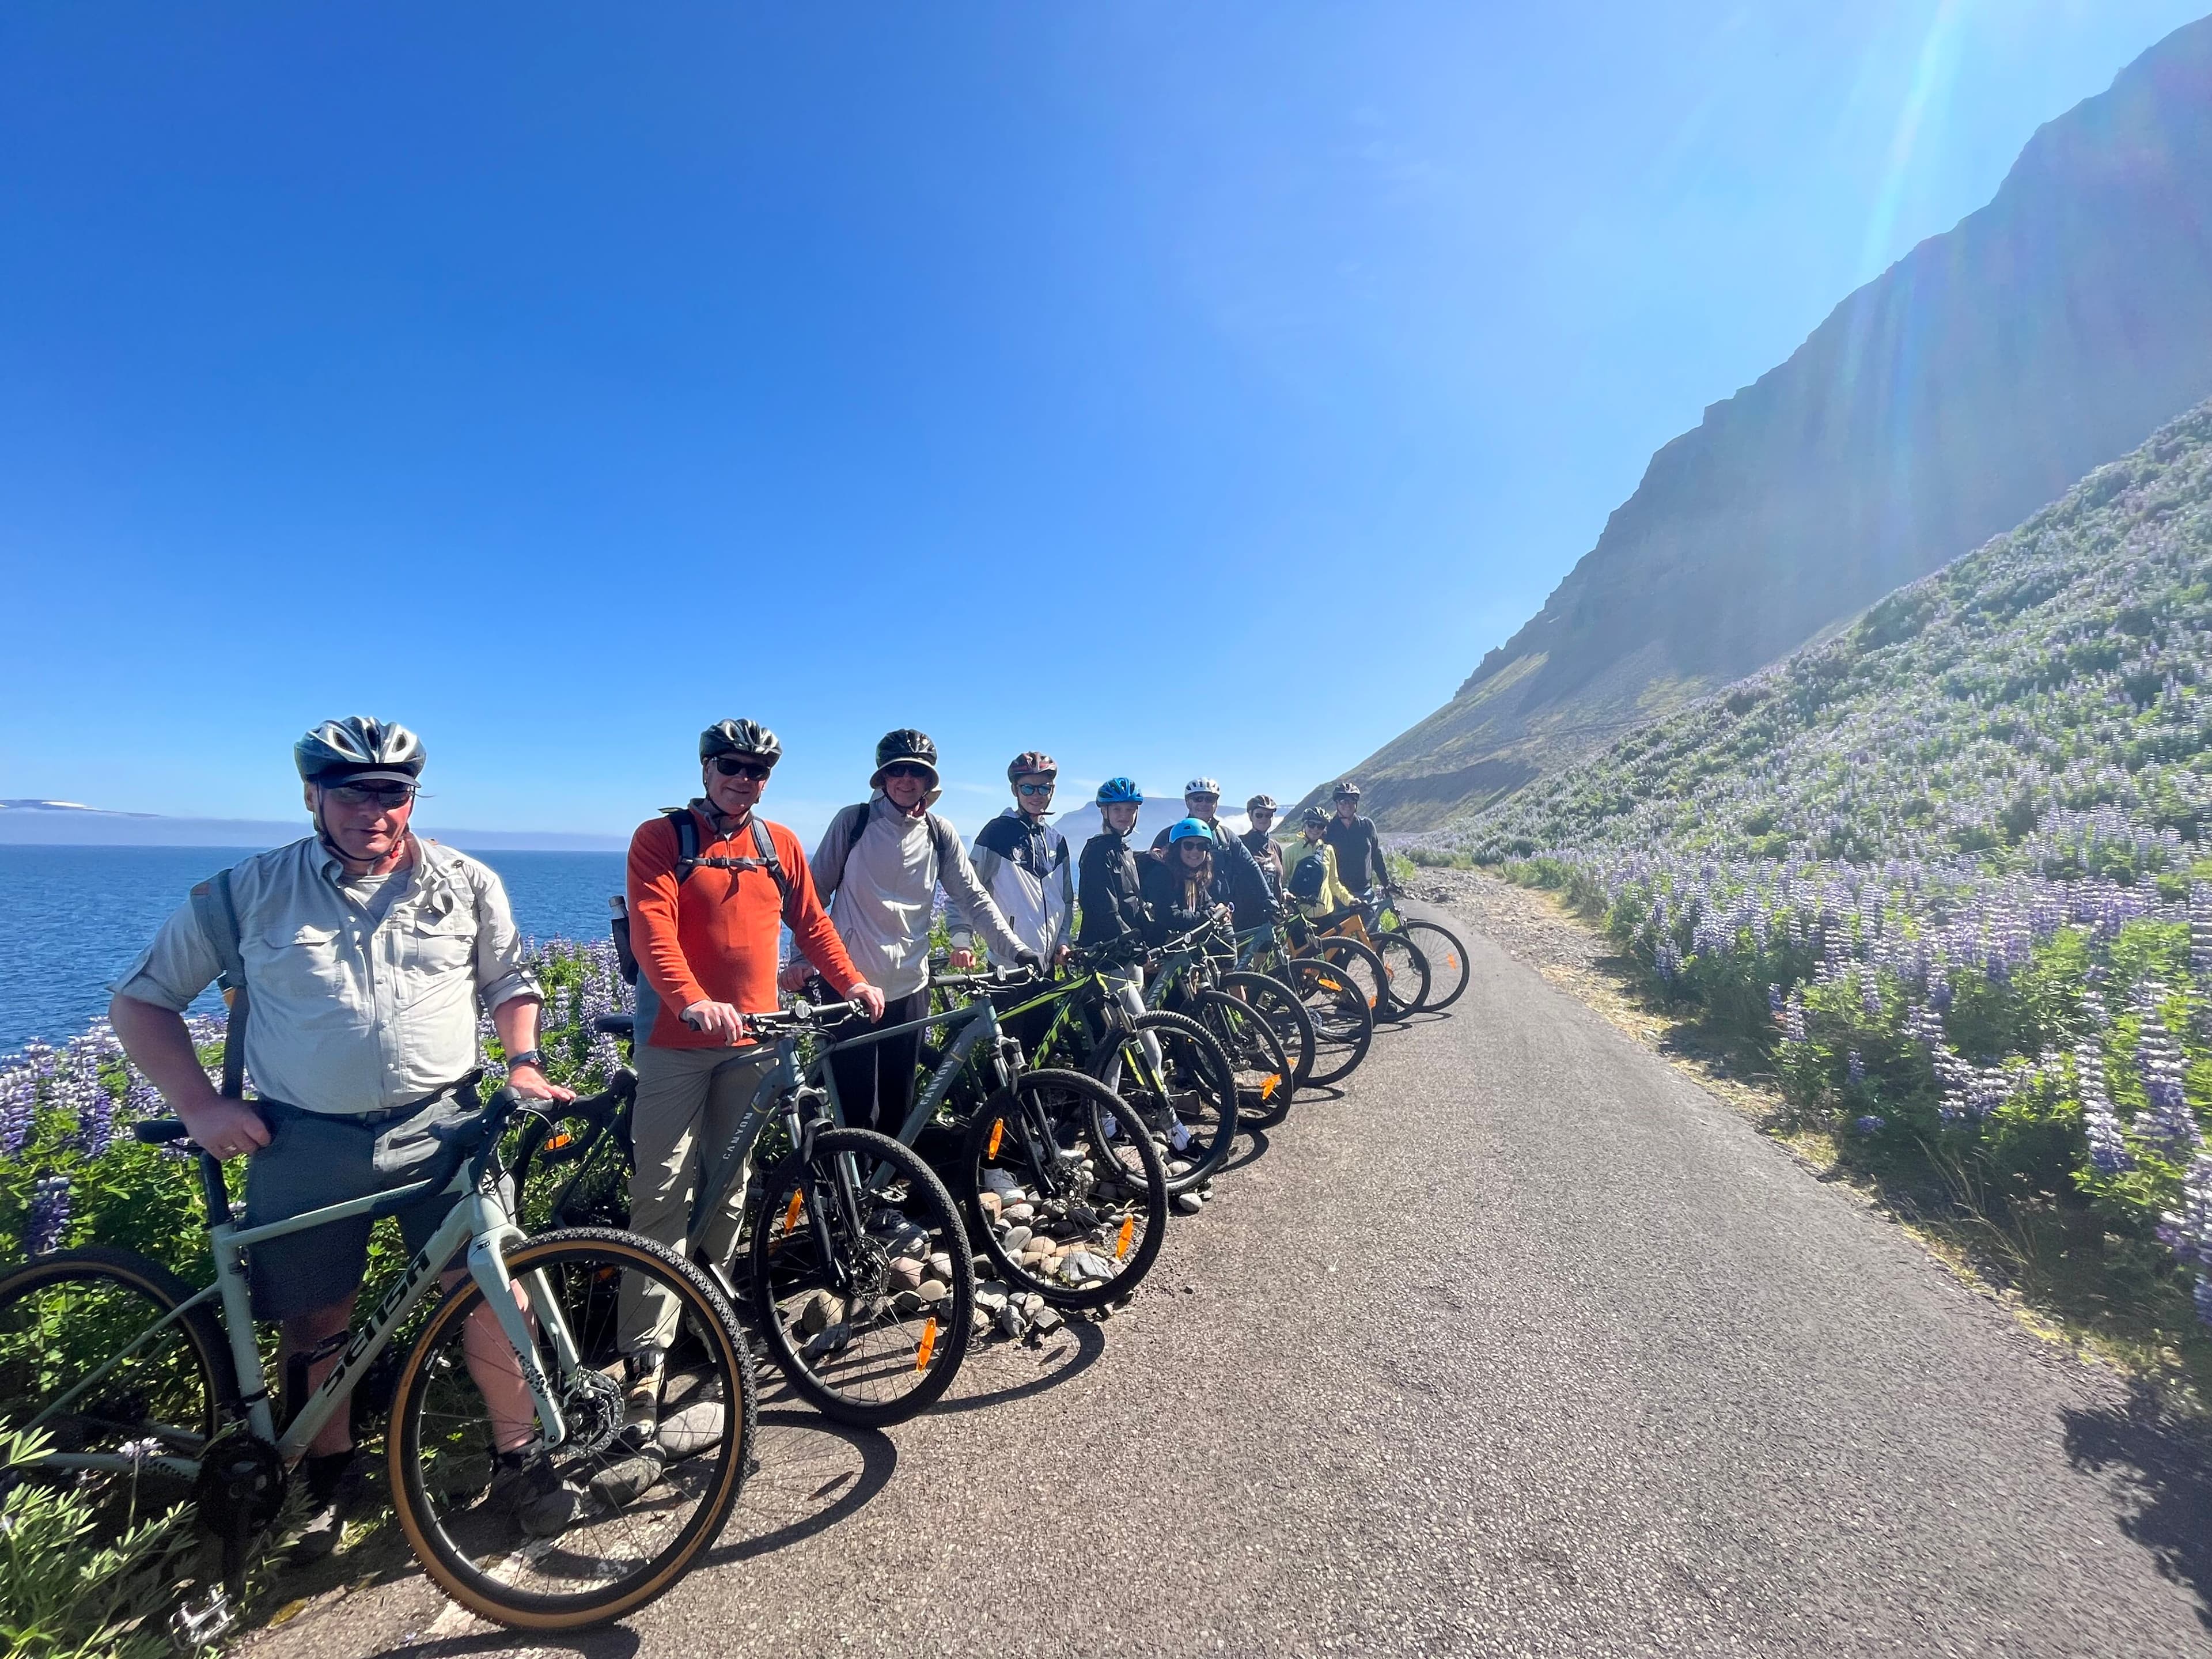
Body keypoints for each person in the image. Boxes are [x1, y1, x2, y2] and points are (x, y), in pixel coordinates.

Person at [107, 717, 579, 1555]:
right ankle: (326, 1476)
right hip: (305, 1135)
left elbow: (509, 981)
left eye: (392, 793)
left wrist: (525, 1063)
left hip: (445, 1123)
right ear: (311, 796)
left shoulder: (467, 883)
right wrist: (200, 1107)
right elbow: (142, 1003)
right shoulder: (242, 894)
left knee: (489, 1292)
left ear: (412, 800)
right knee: (315, 1312)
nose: (374, 811)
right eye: (351, 793)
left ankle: (520, 1457)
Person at [617, 719, 881, 1494]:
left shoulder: (778, 844)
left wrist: (852, 980)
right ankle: (644, 1354)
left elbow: (813, 922)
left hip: (754, 1039)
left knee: (730, 1185)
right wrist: (691, 1000)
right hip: (677, 1039)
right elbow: (651, 928)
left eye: (758, 770)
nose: (744, 779)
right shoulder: (662, 838)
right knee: (661, 1191)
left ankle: (707, 1314)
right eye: (732, 766)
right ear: (706, 768)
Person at [798, 729, 1033, 1139]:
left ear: (929, 780)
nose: (906, 779)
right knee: (856, 1109)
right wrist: (803, 960)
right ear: (883, 777)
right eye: (897, 771)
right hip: (850, 982)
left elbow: (973, 898)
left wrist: (1016, 950)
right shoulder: (854, 822)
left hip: (910, 986)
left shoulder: (939, 832)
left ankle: (892, 1178)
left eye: (917, 771)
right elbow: (813, 895)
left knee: (900, 1107)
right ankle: (850, 1180)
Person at [953, 751, 1074, 969]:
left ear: (1052, 790)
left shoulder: (1057, 841)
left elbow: (1065, 900)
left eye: (1044, 788)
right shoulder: (996, 834)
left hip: (1047, 965)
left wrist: (1062, 942)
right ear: (1014, 790)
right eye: (1027, 788)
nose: (1036, 795)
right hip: (1008, 964)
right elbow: (965, 889)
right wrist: (962, 941)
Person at [1149, 777, 1274, 930]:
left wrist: (1269, 899)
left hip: (1220, 915)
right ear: (1188, 802)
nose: (1204, 803)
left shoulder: (1226, 836)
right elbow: (1156, 877)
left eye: (1210, 799)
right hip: (1182, 922)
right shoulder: (1169, 835)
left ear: (1216, 803)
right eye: (1198, 799)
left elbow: (1250, 867)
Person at [1285, 806, 1361, 919]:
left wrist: (1349, 900)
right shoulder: (1291, 851)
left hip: (1326, 913)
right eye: (1311, 824)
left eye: (1320, 826)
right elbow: (1282, 882)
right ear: (1304, 825)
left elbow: (1334, 882)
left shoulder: (1328, 850)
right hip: (1301, 915)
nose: (1316, 829)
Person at [1323, 779, 1389, 907]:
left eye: (1352, 801)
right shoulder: (1328, 829)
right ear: (1337, 803)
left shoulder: (1367, 826)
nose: (1347, 805)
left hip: (1365, 891)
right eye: (1343, 801)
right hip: (1338, 895)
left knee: (1371, 920)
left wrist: (1386, 883)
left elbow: (1376, 856)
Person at [1241, 794, 1283, 902]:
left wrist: (1285, 892)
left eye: (1268, 815)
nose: (1264, 819)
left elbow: (1279, 881)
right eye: (1259, 815)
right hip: (1249, 910)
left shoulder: (1275, 846)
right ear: (1250, 816)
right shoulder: (1241, 844)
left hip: (1275, 909)